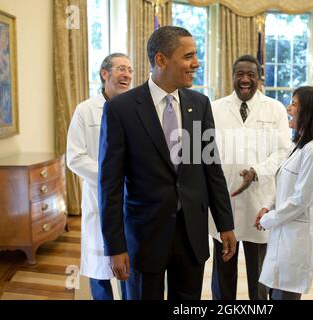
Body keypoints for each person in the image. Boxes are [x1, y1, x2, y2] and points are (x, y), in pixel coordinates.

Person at [98, 26, 236, 300]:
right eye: (188, 56)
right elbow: (109, 185)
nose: (196, 63)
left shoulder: (200, 104)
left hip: (191, 235)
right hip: (144, 236)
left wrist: (225, 223)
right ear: (161, 60)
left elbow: (212, 168)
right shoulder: (120, 110)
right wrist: (115, 246)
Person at [210, 55, 290, 300]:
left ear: (259, 79)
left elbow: (283, 151)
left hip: (260, 201)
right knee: (223, 272)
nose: (245, 80)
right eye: (239, 74)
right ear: (232, 77)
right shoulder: (215, 108)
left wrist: (256, 171)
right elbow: (206, 153)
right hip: (226, 201)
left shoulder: (274, 108)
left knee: (260, 275)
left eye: (250, 75)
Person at [254, 86, 313, 300]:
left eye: (294, 104)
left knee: (285, 294)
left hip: (297, 242)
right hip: (283, 233)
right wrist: (267, 206)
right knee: (274, 291)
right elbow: (282, 182)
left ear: (308, 112)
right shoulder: (298, 146)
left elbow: (300, 201)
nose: (289, 108)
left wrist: (268, 219)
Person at [66, 53, 133, 300]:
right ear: (105, 74)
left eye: (129, 69)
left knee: (129, 267)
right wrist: (111, 175)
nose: (126, 74)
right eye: (120, 69)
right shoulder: (85, 110)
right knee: (99, 269)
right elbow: (74, 157)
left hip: (131, 199)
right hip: (99, 199)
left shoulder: (135, 109)